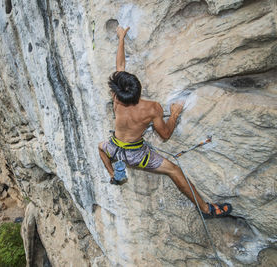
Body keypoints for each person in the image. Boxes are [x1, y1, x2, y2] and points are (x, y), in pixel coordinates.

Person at [98, 26, 232, 219]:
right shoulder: (152, 108)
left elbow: (120, 66)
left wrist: (121, 38)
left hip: (114, 148)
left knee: (100, 148)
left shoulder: (117, 98)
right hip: (136, 156)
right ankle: (205, 210)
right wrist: (175, 114)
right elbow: (166, 134)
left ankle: (114, 175)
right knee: (174, 170)